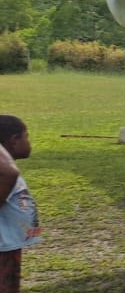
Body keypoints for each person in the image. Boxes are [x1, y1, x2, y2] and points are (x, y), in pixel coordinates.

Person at [0, 116, 39, 293]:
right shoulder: (6, 171)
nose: (28, 142)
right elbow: (10, 173)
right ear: (14, 139)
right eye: (26, 136)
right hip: (3, 244)